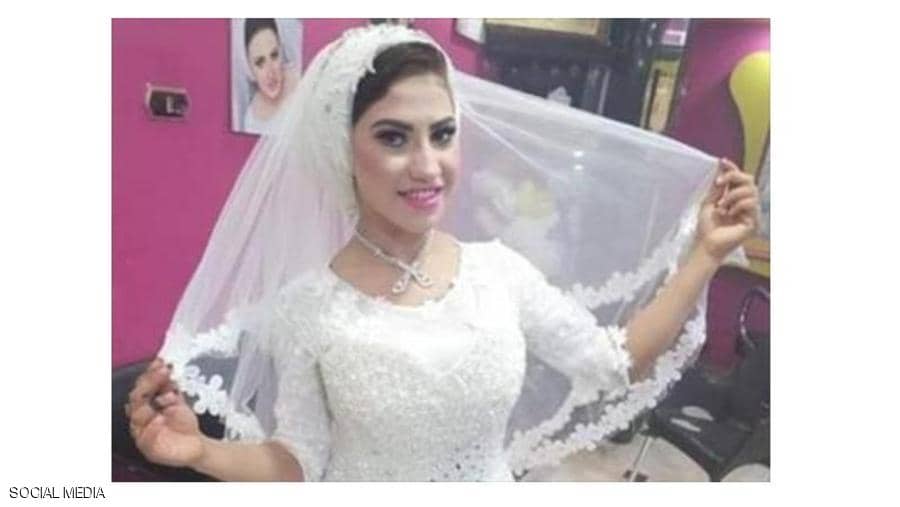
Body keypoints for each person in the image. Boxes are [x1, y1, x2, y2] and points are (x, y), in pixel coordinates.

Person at [125, 24, 760, 481]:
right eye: (393, 137)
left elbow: (613, 361)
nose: (428, 166)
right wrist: (201, 453)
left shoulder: (498, 273)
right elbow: (300, 460)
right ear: (343, 150)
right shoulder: (306, 307)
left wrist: (705, 254)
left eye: (443, 133)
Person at [240, 18, 300, 134]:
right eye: (259, 62)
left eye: (274, 55)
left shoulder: (303, 83)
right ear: (249, 66)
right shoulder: (251, 119)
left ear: (281, 50)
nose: (270, 73)